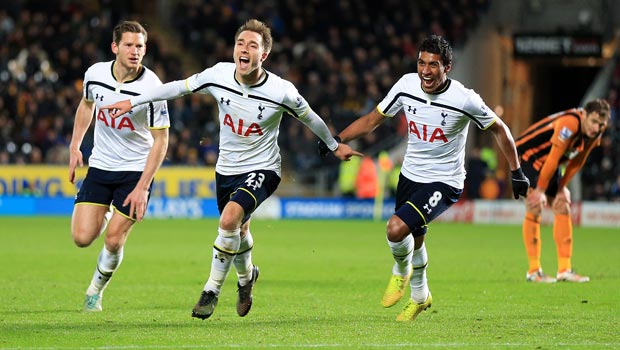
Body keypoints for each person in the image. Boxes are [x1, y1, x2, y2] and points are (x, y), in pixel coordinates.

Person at [102, 19, 360, 320]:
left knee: (229, 219)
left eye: (253, 46)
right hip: (226, 169)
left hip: (264, 168)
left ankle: (211, 289)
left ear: (263, 55)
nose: (245, 49)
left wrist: (333, 144)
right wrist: (133, 100)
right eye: (241, 43)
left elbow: (310, 117)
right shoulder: (219, 74)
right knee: (238, 229)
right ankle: (246, 277)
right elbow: (176, 88)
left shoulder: (281, 91)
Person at [321, 35, 529, 321]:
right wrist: (336, 140)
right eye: (421, 62)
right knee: (415, 238)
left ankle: (400, 271)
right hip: (410, 175)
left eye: (433, 65)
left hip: (444, 182)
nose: (425, 71)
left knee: (396, 229)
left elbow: (500, 129)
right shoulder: (406, 86)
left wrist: (516, 170)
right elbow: (372, 121)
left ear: (448, 67)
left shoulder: (464, 99)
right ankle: (420, 296)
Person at [68, 21, 170, 312]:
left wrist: (143, 187)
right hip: (101, 165)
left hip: (135, 171)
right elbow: (87, 105)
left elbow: (161, 140)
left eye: (140, 46)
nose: (135, 51)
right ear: (115, 47)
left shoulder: (153, 89)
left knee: (113, 240)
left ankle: (95, 291)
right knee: (82, 238)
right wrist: (75, 145)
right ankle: (107, 210)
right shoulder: (95, 74)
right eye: (128, 45)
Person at [516, 99, 610, 283]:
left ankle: (564, 269)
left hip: (549, 161)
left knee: (562, 205)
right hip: (525, 155)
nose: (596, 128)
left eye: (601, 124)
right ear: (584, 115)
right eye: (593, 121)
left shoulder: (595, 131)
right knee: (536, 204)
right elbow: (554, 157)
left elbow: (578, 161)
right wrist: (541, 190)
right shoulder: (570, 123)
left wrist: (561, 188)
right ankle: (534, 271)